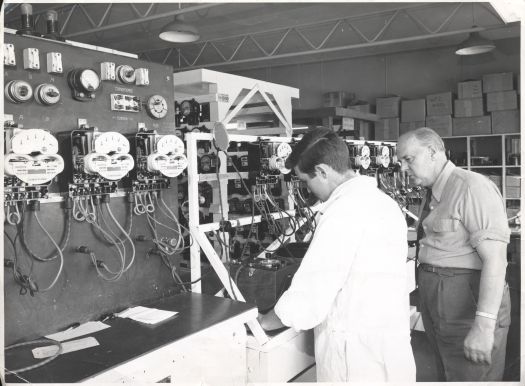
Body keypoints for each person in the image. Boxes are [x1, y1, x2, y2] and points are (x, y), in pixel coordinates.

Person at [258, 128, 416, 382]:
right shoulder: (383, 202)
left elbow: (310, 295)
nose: (307, 190)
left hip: (356, 358)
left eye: (306, 181)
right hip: (387, 346)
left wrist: (263, 323)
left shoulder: (343, 212)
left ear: (322, 171)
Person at [397, 127, 511, 381]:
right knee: (450, 373)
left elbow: (496, 259)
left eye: (408, 159)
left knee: (472, 376)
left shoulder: (471, 188)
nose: (403, 168)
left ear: (433, 152)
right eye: (400, 161)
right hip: (441, 302)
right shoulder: (436, 191)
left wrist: (483, 325)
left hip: (465, 303)